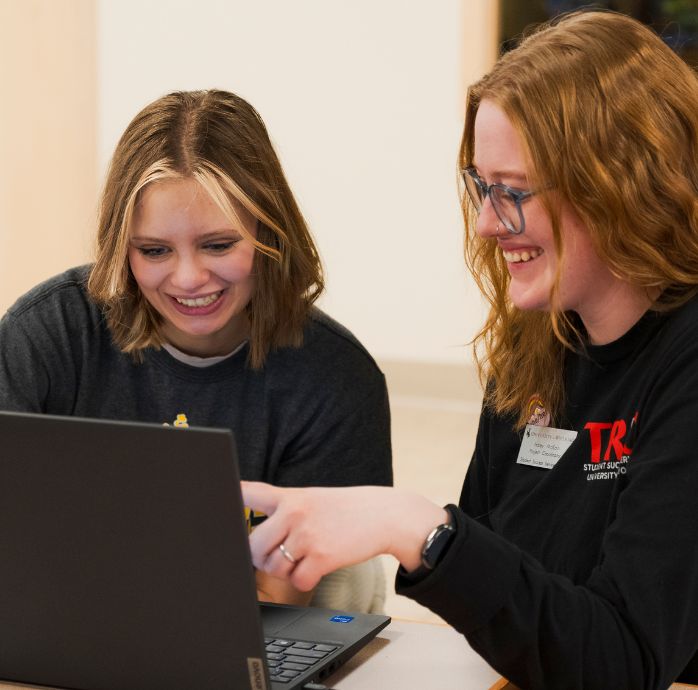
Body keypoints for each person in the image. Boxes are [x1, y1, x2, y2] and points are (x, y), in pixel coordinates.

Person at [242, 10, 698, 688]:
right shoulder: (540, 342)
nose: (487, 223)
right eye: (482, 188)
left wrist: (416, 528)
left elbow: (621, 663)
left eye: (512, 192)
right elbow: (508, 609)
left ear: (620, 184)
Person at [0, 89, 392, 608]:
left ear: (268, 229)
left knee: (352, 581)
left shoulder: (335, 379)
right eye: (154, 250)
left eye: (218, 244)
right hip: (65, 606)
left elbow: (278, 604)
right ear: (122, 247)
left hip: (252, 621)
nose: (188, 279)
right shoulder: (50, 333)